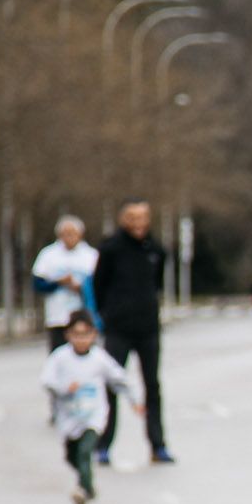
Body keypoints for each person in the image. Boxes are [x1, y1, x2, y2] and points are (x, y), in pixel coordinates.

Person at [91, 199, 172, 464]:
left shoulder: (155, 249)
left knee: (153, 386)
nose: (138, 223)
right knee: (112, 384)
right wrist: (107, 315)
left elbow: (157, 282)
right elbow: (98, 286)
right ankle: (104, 444)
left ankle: (157, 445)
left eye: (142, 217)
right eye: (132, 218)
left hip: (148, 328)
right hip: (118, 328)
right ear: (123, 220)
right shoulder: (111, 249)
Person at [41, 312, 140, 504]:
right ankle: (87, 485)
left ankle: (84, 489)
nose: (81, 340)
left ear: (93, 335)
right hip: (69, 416)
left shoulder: (98, 358)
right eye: (76, 335)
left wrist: (134, 400)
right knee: (72, 456)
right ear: (68, 335)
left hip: (93, 415)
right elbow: (47, 381)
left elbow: (118, 378)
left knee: (86, 451)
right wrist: (64, 388)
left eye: (85, 334)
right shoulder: (61, 357)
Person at [32, 217, 100, 352]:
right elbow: (37, 284)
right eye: (65, 234)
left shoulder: (91, 255)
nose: (69, 237)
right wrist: (58, 283)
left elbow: (100, 285)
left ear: (80, 234)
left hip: (84, 316)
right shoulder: (49, 254)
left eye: (72, 233)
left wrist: (83, 288)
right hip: (58, 317)